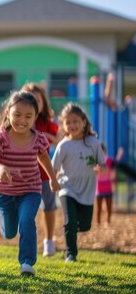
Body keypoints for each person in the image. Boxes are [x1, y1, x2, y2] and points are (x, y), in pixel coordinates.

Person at [0, 91, 59, 276]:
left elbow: (44, 158)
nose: (22, 120)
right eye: (17, 114)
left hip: (31, 190)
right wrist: (1, 168)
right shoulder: (1, 138)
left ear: (35, 117)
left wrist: (52, 178)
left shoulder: (39, 138)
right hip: (7, 192)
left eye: (28, 116)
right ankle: (8, 226)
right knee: (10, 232)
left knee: (27, 221)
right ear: (8, 112)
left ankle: (27, 263)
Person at [52, 103, 106, 263]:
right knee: (69, 221)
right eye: (68, 122)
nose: (72, 125)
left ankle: (71, 232)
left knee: (84, 226)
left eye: (75, 121)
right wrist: (53, 182)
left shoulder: (93, 143)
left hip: (87, 192)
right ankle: (71, 254)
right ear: (63, 125)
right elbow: (53, 167)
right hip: (66, 189)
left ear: (84, 122)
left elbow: (102, 165)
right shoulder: (63, 145)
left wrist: (100, 168)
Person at [21, 82, 61, 257]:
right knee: (26, 209)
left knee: (49, 206)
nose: (33, 103)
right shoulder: (20, 122)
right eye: (28, 99)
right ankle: (28, 240)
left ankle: (49, 241)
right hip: (24, 173)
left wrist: (47, 136)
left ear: (43, 102)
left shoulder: (46, 123)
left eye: (36, 100)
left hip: (44, 173)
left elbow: (60, 140)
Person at [95, 144, 115, 227]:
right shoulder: (95, 162)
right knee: (98, 207)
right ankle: (98, 222)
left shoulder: (109, 161)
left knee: (109, 206)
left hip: (108, 187)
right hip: (99, 188)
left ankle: (108, 221)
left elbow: (114, 169)